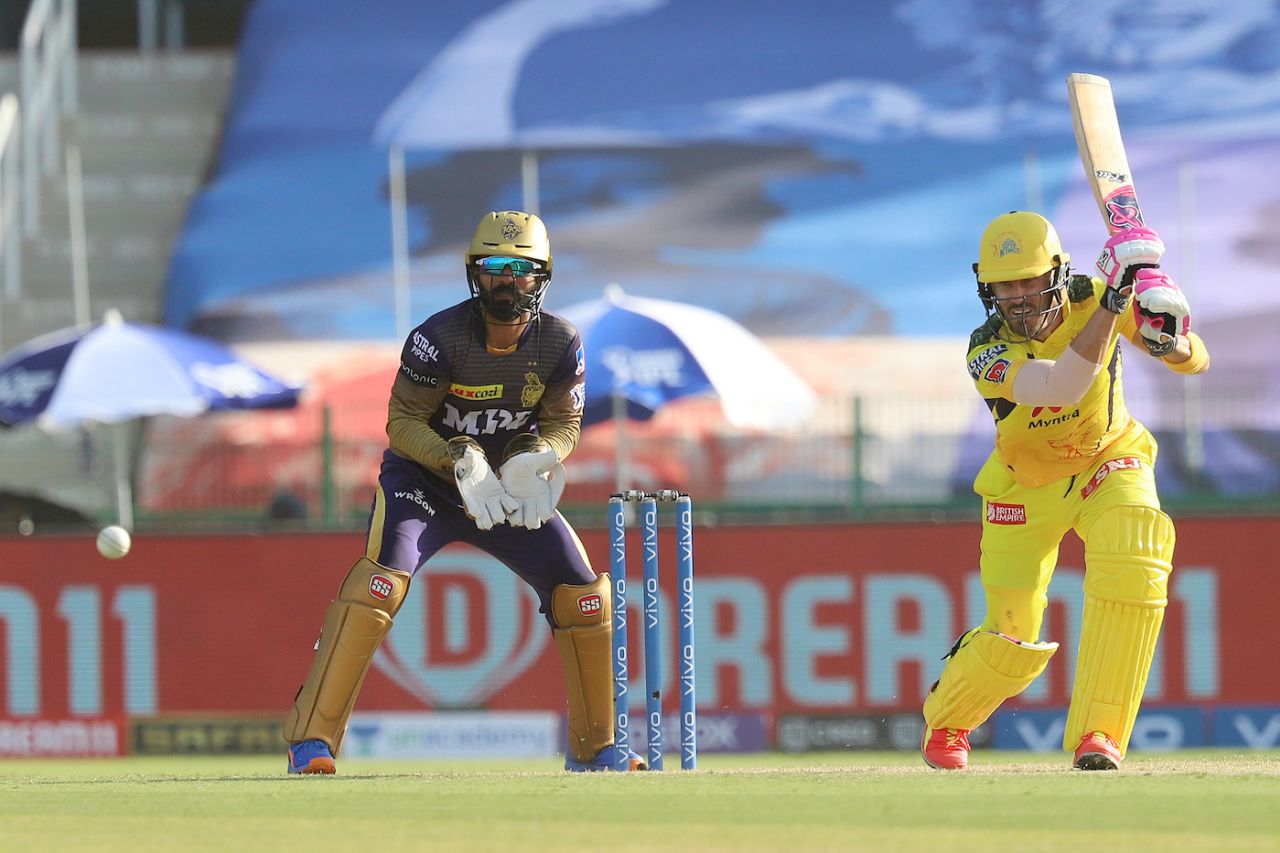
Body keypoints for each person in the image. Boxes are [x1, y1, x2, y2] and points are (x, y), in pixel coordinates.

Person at [284, 211, 643, 774]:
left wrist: (537, 459)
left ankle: (597, 749)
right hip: (426, 485)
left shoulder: (560, 341)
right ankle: (311, 742)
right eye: (495, 267)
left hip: (505, 491)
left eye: (521, 269)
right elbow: (402, 423)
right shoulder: (438, 337)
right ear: (476, 274)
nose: (508, 281)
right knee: (379, 585)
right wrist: (456, 458)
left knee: (583, 593)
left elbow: (564, 426)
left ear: (541, 276)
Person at [921, 210, 1210, 771]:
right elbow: (1061, 386)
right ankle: (949, 719)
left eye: (1029, 279)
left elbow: (1192, 361)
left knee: (1135, 553)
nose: (1019, 298)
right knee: (1012, 634)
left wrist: (1166, 336)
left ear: (1057, 271)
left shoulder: (1099, 295)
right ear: (987, 288)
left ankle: (1099, 734)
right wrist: (1116, 302)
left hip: (1109, 455)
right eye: (1006, 286)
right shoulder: (986, 351)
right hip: (1024, 489)